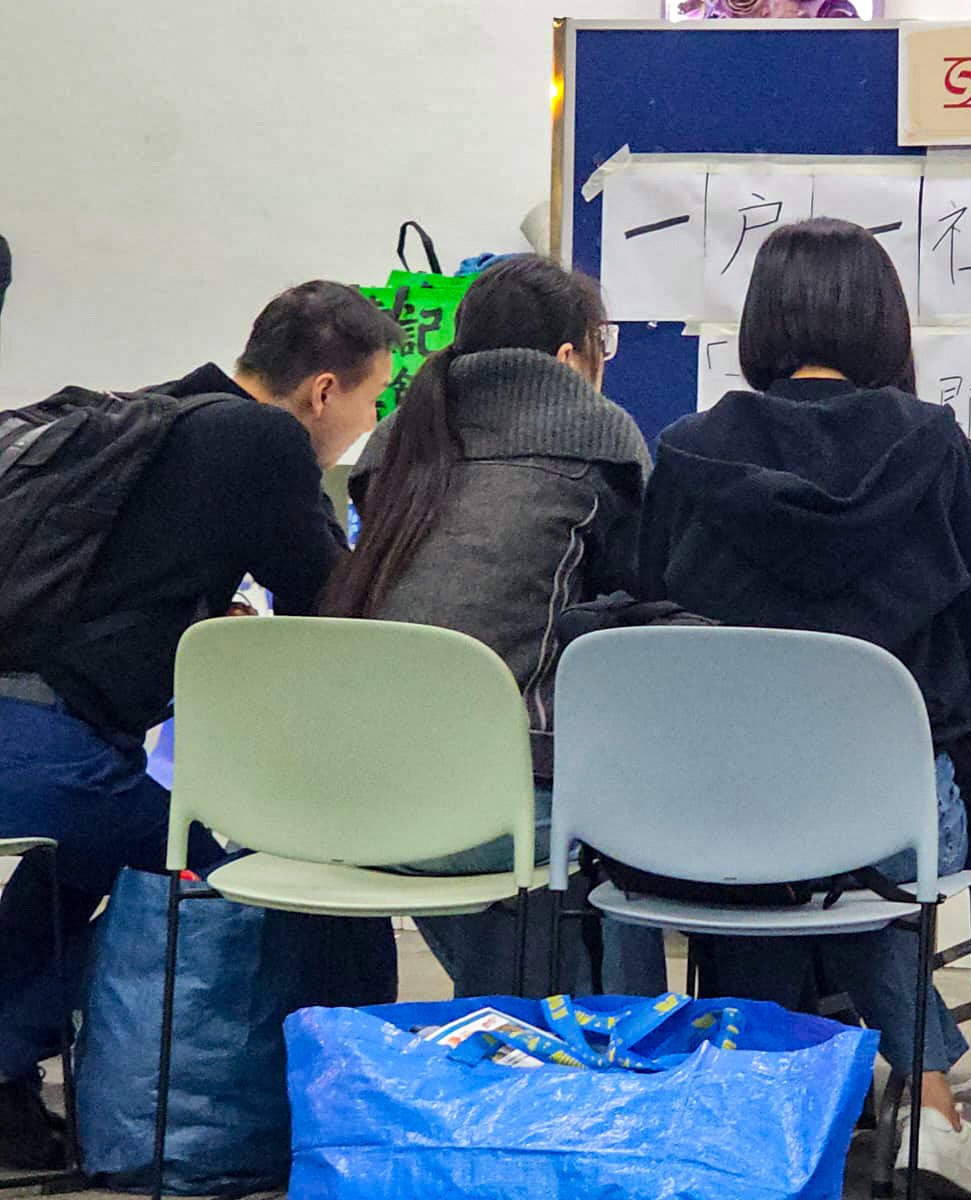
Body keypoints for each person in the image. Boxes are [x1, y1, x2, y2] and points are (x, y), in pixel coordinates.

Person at [636, 217, 971, 1199]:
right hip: (887, 803)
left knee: (774, 866)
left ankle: (756, 1111)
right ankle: (930, 1102)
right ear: (883, 321)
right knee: (850, 870)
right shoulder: (932, 446)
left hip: (714, 805)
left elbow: (643, 621)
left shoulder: (686, 450)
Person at [0, 281, 398, 1169]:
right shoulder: (260, 439)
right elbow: (329, 604)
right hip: (41, 739)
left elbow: (112, 591)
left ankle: (7, 1087)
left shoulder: (158, 414)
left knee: (88, 857)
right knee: (217, 874)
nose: (364, 423)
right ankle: (322, 1113)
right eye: (372, 401)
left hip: (35, 735)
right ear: (323, 391)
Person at [320, 254, 657, 999]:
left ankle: (508, 1032)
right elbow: (637, 620)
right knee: (636, 820)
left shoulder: (395, 443)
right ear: (571, 357)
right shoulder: (599, 436)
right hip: (495, 813)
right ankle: (621, 1062)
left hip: (354, 800)